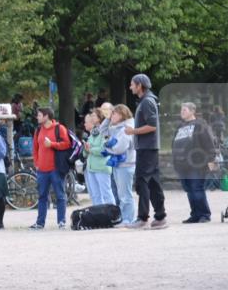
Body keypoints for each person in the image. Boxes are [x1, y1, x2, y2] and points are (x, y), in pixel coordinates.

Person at [125, 74, 166, 229]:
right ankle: (160, 217)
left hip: (147, 148)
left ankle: (142, 218)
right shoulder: (146, 101)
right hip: (148, 148)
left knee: (142, 181)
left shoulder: (147, 102)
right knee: (154, 182)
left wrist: (133, 131)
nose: (130, 87)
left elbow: (152, 126)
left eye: (132, 84)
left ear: (139, 86)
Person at [172, 102, 218, 223]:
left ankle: (204, 214)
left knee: (197, 188)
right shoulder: (180, 126)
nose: (182, 112)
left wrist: (211, 159)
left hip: (196, 163)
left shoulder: (200, 124)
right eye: (181, 110)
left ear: (193, 111)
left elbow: (209, 142)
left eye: (185, 110)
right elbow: (174, 144)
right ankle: (195, 214)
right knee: (189, 189)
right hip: (182, 164)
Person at [30, 107, 71, 230]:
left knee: (60, 195)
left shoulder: (59, 128)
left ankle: (61, 222)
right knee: (42, 196)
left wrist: (52, 144)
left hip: (56, 168)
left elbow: (67, 144)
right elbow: (35, 148)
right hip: (42, 169)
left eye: (39, 115)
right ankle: (40, 222)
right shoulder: (38, 130)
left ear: (46, 116)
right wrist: (36, 163)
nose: (37, 117)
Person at [83, 109, 115, 207]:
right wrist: (85, 149)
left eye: (94, 116)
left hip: (102, 167)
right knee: (96, 195)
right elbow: (86, 152)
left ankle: (113, 215)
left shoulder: (105, 131)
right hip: (91, 167)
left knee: (106, 193)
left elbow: (104, 149)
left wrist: (90, 149)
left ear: (100, 118)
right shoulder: (93, 132)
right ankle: (99, 215)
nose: (91, 118)